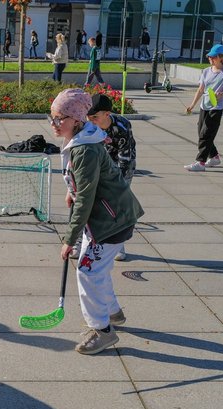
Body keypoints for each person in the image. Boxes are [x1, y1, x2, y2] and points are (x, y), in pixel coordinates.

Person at [49, 89, 144, 354]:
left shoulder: (85, 149)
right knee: (96, 269)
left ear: (77, 120)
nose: (54, 124)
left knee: (88, 271)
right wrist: (72, 188)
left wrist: (69, 239)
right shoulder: (80, 140)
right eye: (52, 117)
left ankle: (102, 330)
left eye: (60, 118)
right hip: (106, 216)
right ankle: (112, 313)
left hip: (111, 220)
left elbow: (86, 199)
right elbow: (85, 182)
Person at [87, 93, 137, 261]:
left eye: (95, 117)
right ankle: (83, 242)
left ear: (107, 114)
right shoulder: (90, 126)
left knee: (116, 206)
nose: (91, 120)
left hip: (121, 167)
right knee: (91, 204)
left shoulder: (122, 127)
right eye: (89, 117)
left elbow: (125, 158)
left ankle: (119, 245)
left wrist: (117, 185)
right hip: (101, 165)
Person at [184, 44, 223, 171]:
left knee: (205, 135)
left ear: (220, 57)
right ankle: (215, 157)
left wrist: (221, 94)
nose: (210, 59)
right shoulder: (206, 71)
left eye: (212, 57)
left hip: (216, 107)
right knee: (202, 132)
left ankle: (200, 162)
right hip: (204, 106)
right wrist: (192, 105)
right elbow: (200, 90)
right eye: (209, 56)